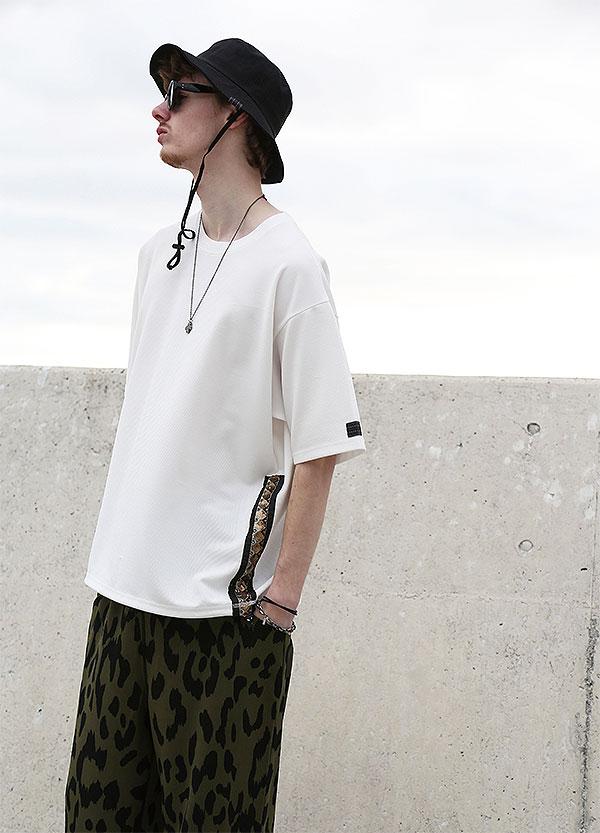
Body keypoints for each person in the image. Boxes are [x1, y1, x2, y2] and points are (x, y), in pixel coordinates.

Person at [64, 37, 367, 833]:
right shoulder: (157, 256)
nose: (158, 109)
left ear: (235, 115)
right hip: (122, 597)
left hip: (219, 621)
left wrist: (280, 605)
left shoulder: (291, 267)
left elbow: (320, 448)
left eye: (180, 92)